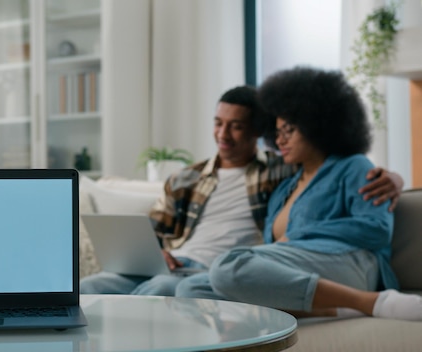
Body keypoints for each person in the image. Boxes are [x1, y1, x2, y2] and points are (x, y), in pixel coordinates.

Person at [80, 84, 403, 297]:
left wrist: (394, 178)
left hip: (219, 266)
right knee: (89, 288)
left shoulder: (279, 171)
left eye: (236, 126)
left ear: (256, 132)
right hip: (173, 261)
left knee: (161, 290)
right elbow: (152, 229)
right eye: (218, 122)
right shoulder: (185, 179)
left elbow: (325, 166)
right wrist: (155, 251)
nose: (223, 134)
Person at [175, 66, 422, 321]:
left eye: (289, 131)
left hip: (351, 264)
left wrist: (295, 236)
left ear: (316, 126)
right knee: (191, 289)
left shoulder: (353, 166)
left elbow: (376, 228)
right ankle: (331, 308)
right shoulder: (284, 187)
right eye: (277, 132)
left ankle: (369, 302)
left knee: (229, 265)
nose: (280, 140)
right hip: (295, 271)